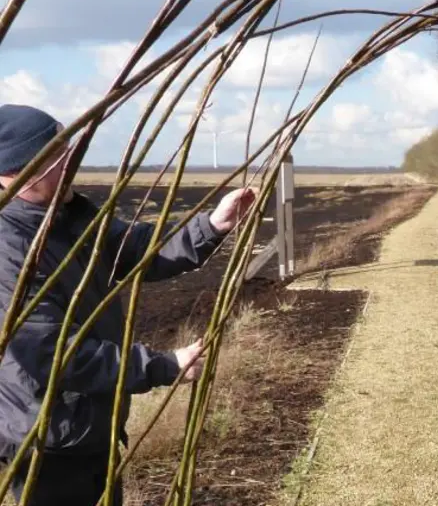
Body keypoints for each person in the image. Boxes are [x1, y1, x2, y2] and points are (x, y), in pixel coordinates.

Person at [0, 104, 256, 505]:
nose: (72, 159)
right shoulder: (8, 250)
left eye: (69, 146)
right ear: (16, 173)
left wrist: (212, 225)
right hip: (48, 440)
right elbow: (53, 356)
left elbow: (138, 250)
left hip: (91, 425)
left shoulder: (71, 216)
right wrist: (163, 365)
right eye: (56, 154)